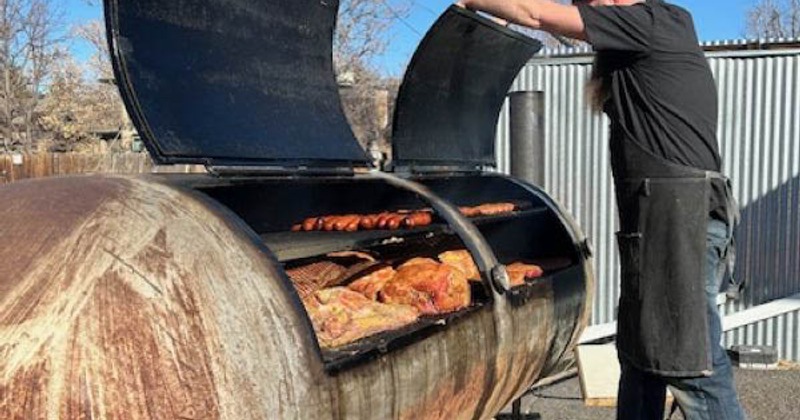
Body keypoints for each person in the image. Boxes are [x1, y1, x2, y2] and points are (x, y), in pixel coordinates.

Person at [456, 1, 746, 419]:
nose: (584, 8)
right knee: (639, 355)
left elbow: (536, 15)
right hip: (655, 223)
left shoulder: (658, 21)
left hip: (683, 222)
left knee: (690, 363)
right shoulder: (629, 46)